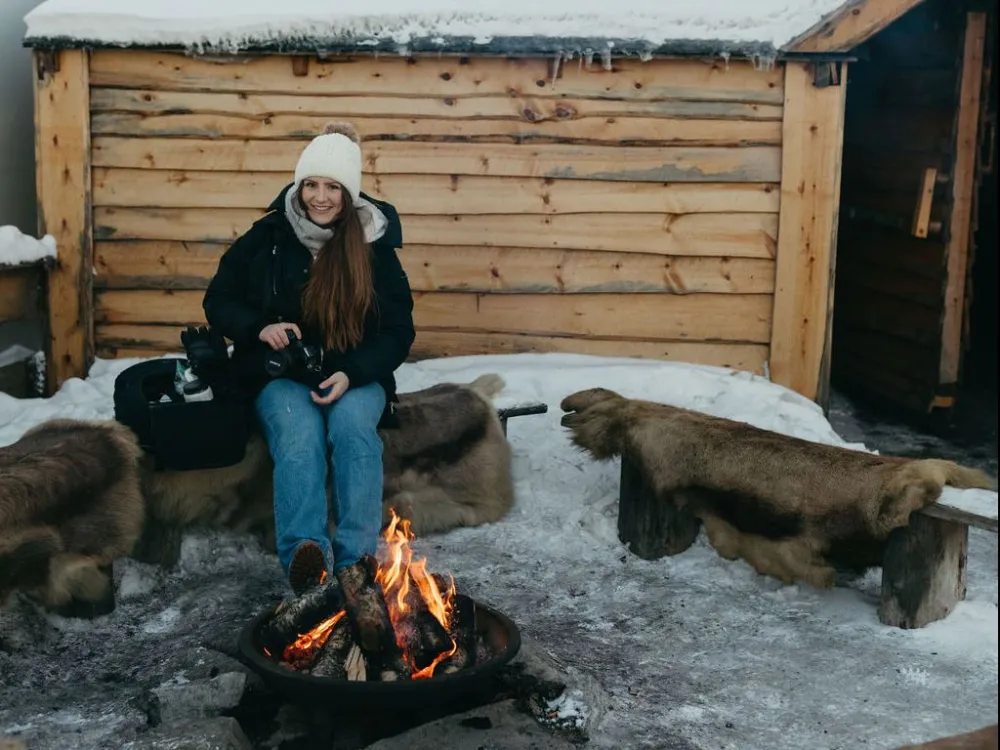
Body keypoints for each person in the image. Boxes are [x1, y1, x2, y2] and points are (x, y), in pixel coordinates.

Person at [202, 122, 415, 604]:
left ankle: (356, 561)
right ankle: (308, 560)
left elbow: (398, 331)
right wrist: (260, 326)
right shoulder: (268, 236)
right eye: (312, 185)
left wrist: (354, 372)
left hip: (355, 371)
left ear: (349, 193)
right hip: (281, 374)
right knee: (299, 438)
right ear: (299, 186)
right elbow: (219, 299)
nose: (320, 197)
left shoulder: (374, 246)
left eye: (333, 187)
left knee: (354, 433)